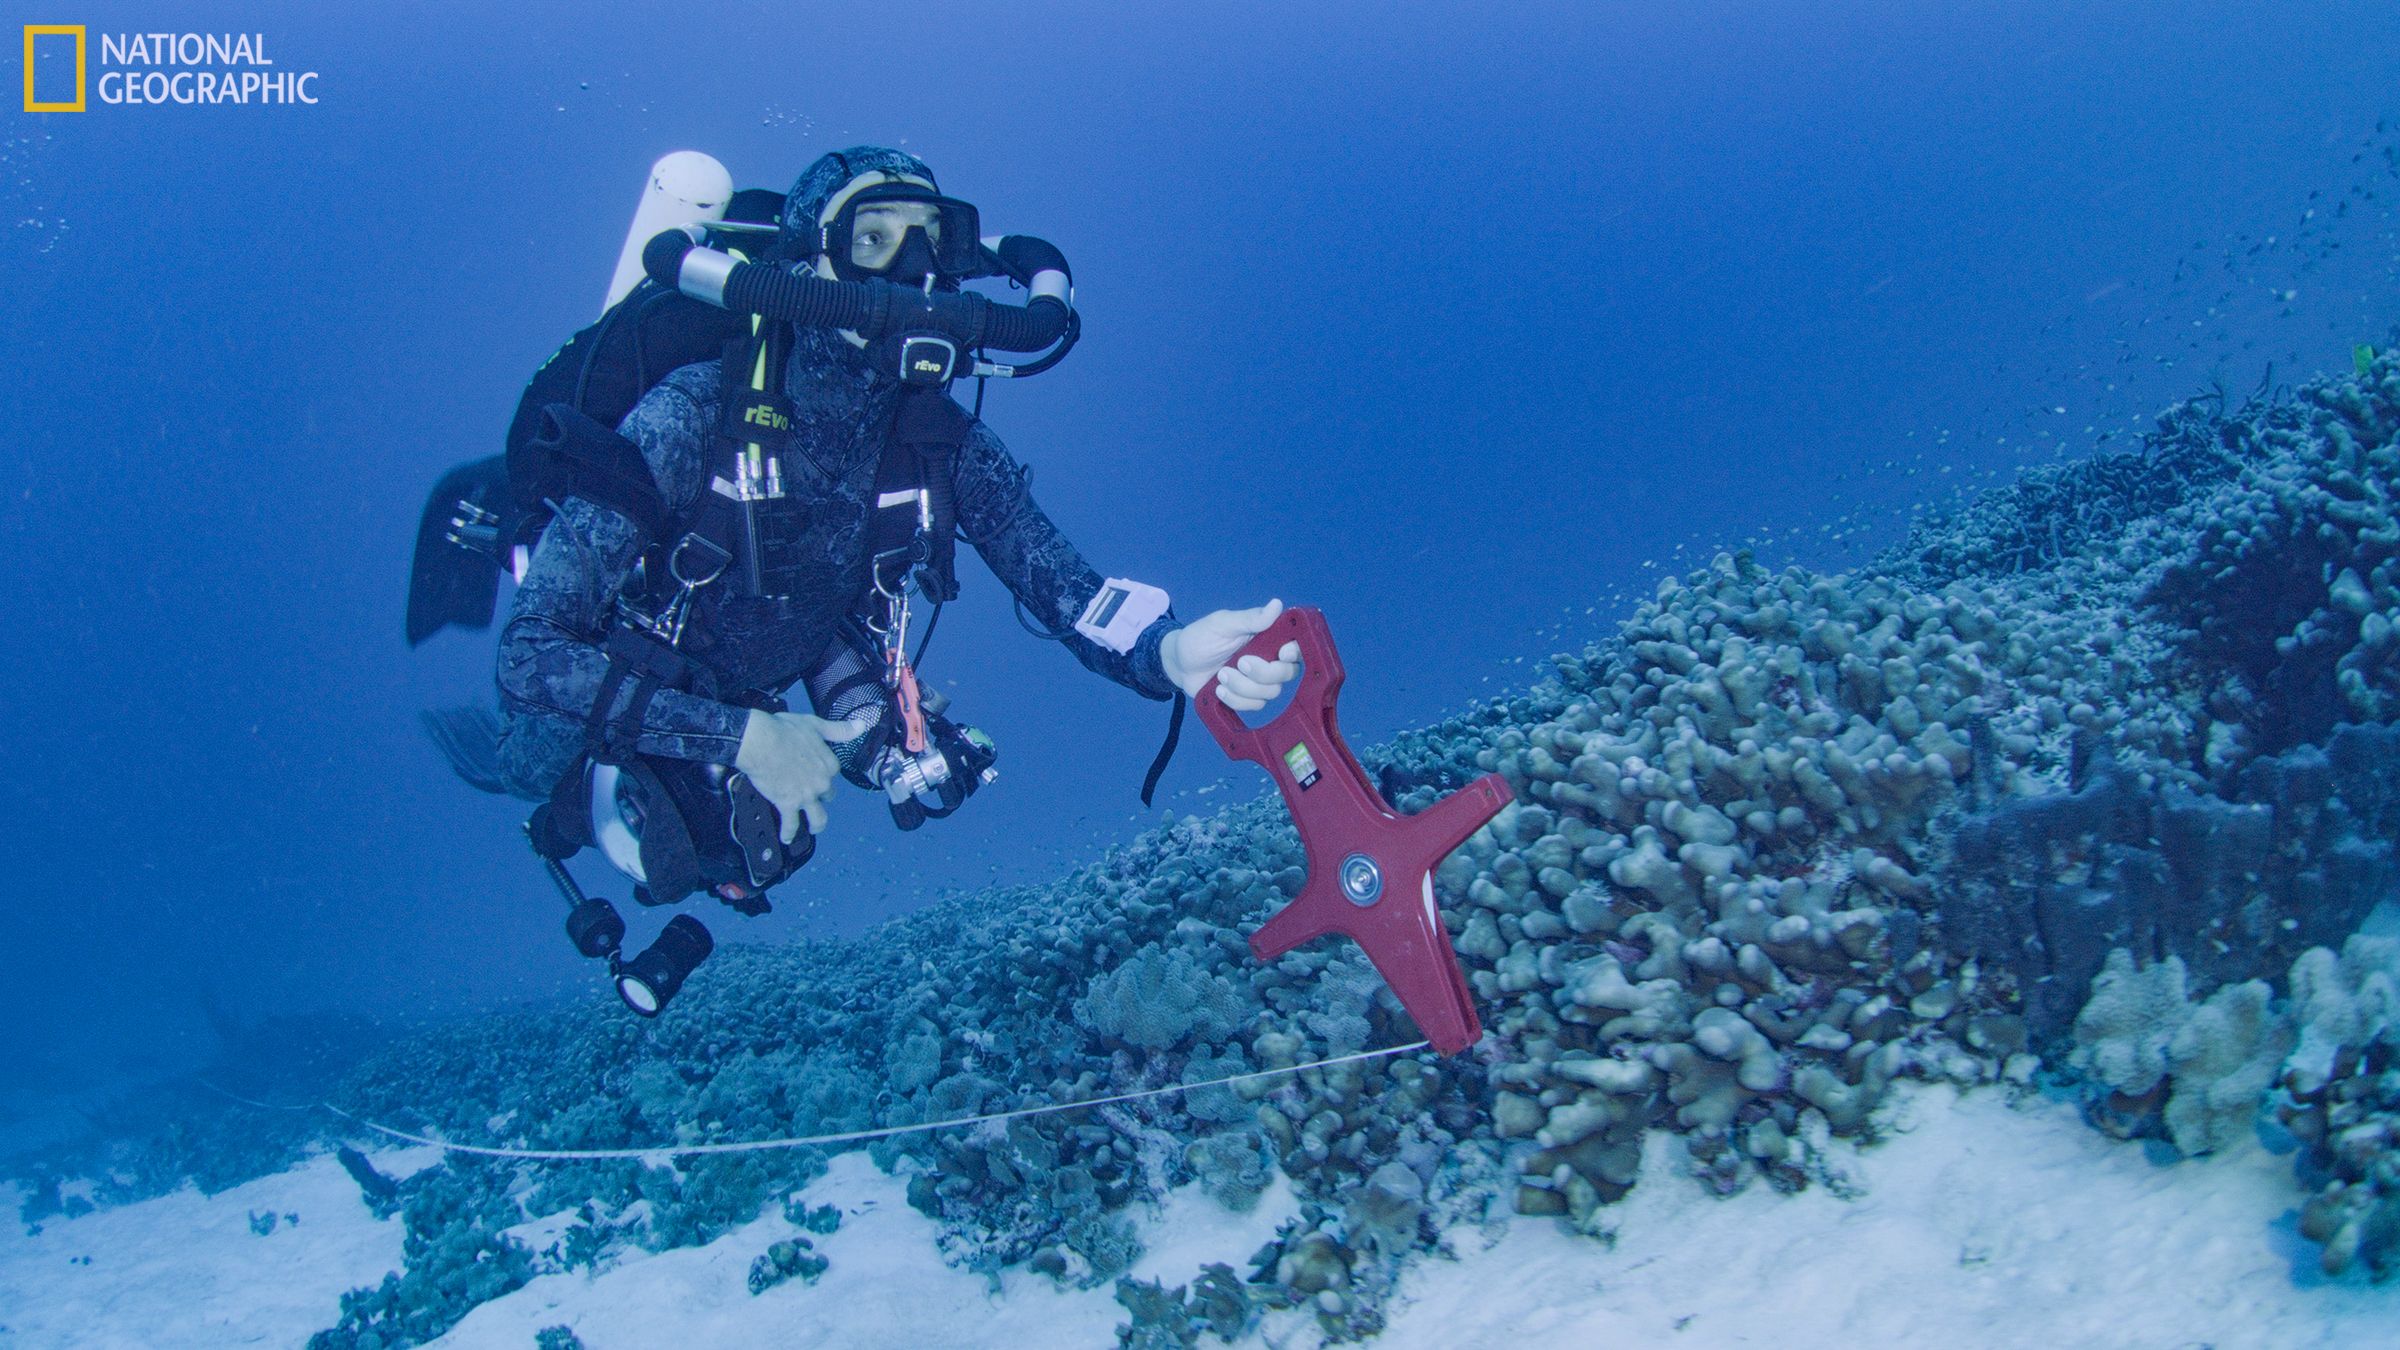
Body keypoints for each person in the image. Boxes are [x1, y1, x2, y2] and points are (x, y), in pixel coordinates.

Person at [490, 145, 1301, 895]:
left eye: (932, 243)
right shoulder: (692, 417)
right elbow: (531, 661)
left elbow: (1063, 588)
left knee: (756, 839)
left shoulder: (937, 440)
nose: (912, 274)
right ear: (809, 264)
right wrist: (743, 738)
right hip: (609, 693)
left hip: (778, 671)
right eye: (872, 239)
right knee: (544, 779)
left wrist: (1170, 653)